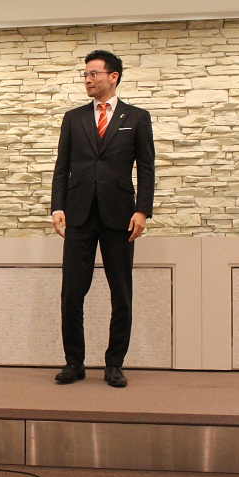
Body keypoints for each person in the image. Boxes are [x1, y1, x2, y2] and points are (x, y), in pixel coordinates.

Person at [50, 49, 155, 388]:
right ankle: (74, 362)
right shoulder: (74, 118)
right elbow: (61, 167)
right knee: (71, 293)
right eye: (85, 74)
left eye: (93, 73)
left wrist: (142, 209)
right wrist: (57, 206)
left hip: (120, 216)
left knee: (121, 293)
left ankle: (114, 364)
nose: (88, 79)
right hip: (78, 215)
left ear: (114, 76)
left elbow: (147, 168)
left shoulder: (137, 117)